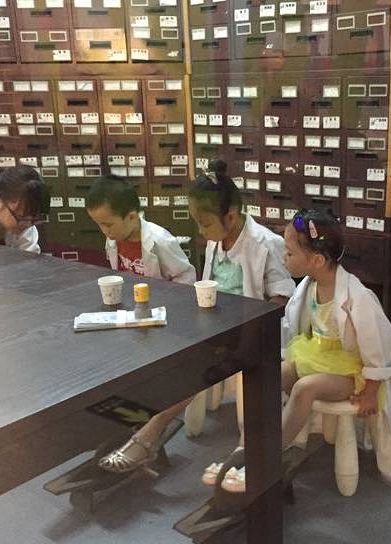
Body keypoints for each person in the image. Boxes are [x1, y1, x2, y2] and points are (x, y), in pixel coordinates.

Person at [97, 161, 295, 473]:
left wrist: (252, 319)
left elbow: (284, 297)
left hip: (254, 333)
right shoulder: (217, 239)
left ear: (231, 216)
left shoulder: (266, 243)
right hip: (220, 328)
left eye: (205, 224)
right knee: (181, 359)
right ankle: (149, 431)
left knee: (204, 364)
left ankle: (241, 452)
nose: (201, 232)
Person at [213, 209, 391, 493]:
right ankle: (245, 448)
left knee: (304, 388)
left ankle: (266, 459)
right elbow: (296, 326)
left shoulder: (358, 297)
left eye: (290, 253)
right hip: (317, 357)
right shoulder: (308, 286)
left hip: (350, 372)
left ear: (317, 260)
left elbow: (376, 346)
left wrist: (371, 390)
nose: (284, 257)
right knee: (267, 376)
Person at [86, 174, 195, 283]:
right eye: (99, 224)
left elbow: (186, 276)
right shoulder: (114, 237)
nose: (104, 231)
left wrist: (165, 293)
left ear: (131, 217)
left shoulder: (161, 241)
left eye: (108, 225)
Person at [0, 166, 50, 252]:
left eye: (34, 219)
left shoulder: (26, 221)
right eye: (21, 217)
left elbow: (29, 255)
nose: (28, 225)